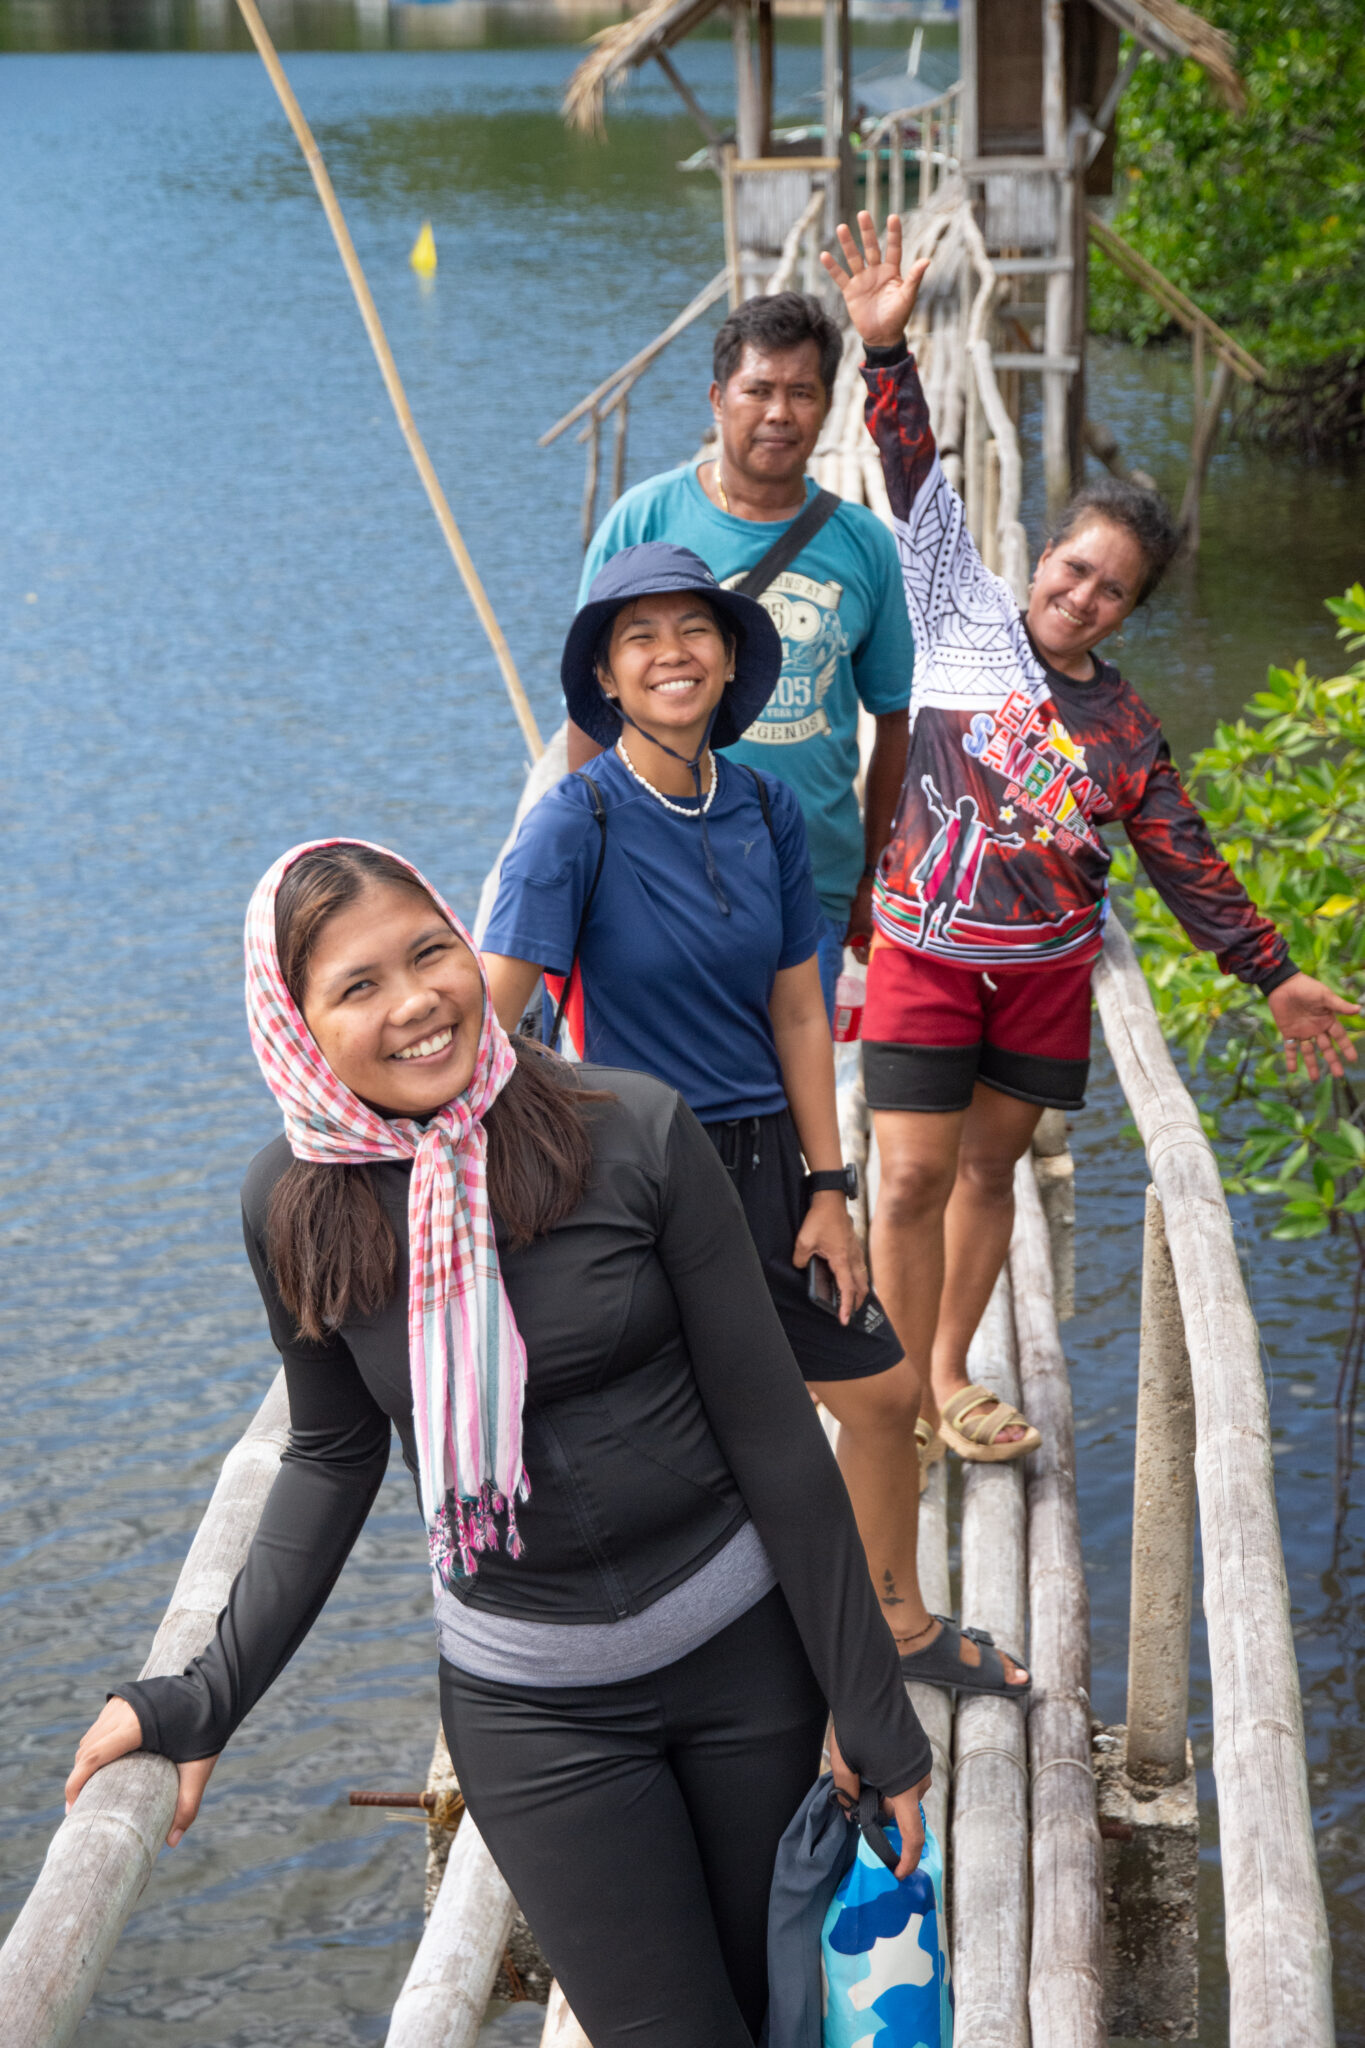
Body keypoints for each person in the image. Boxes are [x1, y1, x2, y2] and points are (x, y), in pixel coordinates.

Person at [66, 839, 933, 2048]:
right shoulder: (292, 1203)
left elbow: (774, 1430)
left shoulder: (629, 1126)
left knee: (786, 2003)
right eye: (357, 985)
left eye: (432, 952)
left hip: (748, 1665)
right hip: (539, 1714)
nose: (417, 1000)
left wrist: (872, 1702)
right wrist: (204, 1695)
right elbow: (329, 1455)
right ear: (294, 1021)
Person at [821, 212, 1358, 1463]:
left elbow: (1187, 860)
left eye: (1110, 588)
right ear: (1042, 554)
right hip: (928, 950)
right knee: (901, 1177)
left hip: (1046, 976)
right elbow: (915, 475)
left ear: (1131, 608)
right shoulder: (963, 617)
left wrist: (1274, 974)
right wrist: (887, 353)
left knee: (986, 1177)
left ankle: (947, 1371)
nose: (1080, 594)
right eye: (1071, 567)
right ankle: (892, 1385)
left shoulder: (1126, 725)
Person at [483, 542, 1029, 1700]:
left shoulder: (771, 809)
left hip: (772, 1159)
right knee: (695, 1434)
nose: (670, 653)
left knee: (882, 1396)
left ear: (732, 661)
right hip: (642, 1174)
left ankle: (896, 1622)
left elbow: (798, 1005)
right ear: (611, 681)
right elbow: (489, 1025)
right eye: (639, 639)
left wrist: (831, 1188)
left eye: (694, 630)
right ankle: (705, 1666)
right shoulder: (572, 822)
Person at [568, 290, 914, 1012]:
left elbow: (894, 717)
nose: (779, 413)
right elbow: (587, 700)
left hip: (807, 884)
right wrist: (591, 855)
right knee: (661, 1103)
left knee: (787, 1100)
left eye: (801, 392)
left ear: (827, 406)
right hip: (658, 875)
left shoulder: (864, 544)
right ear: (718, 398)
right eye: (757, 390)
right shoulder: (647, 518)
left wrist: (870, 874)